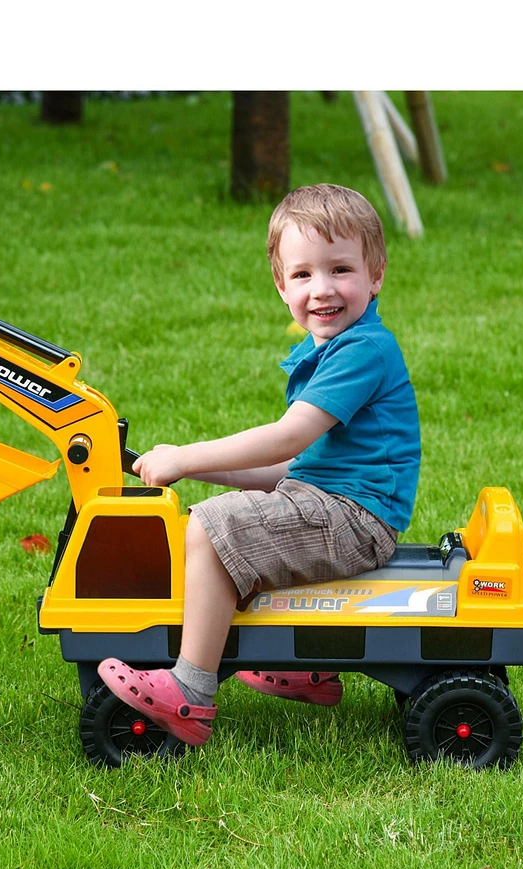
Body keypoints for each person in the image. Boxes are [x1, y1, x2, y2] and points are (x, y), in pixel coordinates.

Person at [97, 183, 421, 746]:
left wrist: (187, 456)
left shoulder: (363, 351)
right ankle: (302, 668)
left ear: (376, 275)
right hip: (333, 504)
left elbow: (284, 439)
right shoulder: (333, 348)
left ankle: (190, 693)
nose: (322, 290)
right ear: (281, 285)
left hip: (355, 519)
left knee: (215, 527)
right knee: (232, 516)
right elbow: (294, 467)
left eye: (340, 269)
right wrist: (191, 468)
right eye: (302, 275)